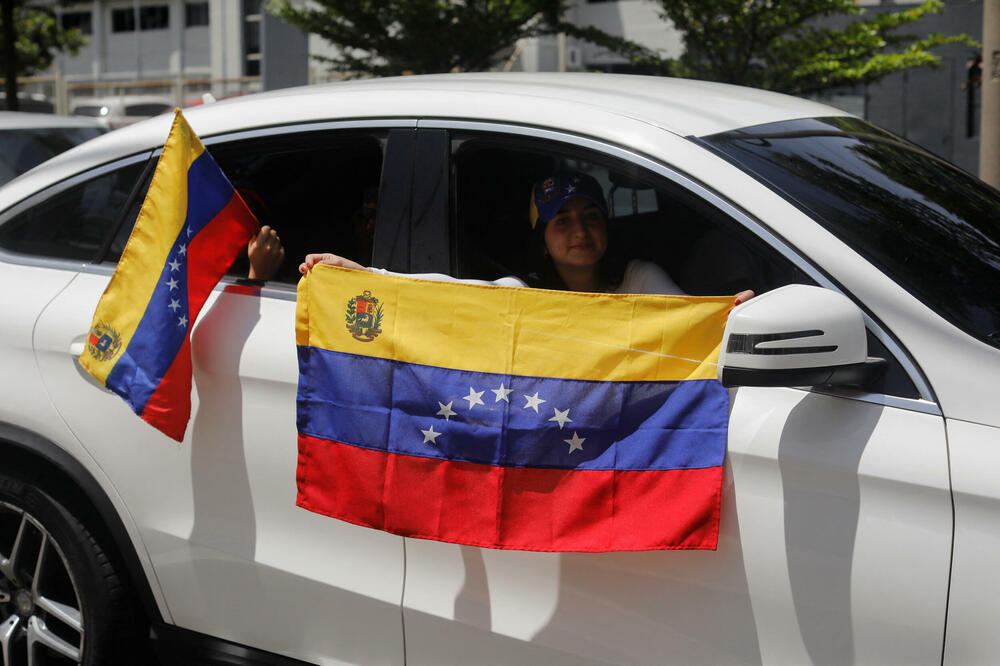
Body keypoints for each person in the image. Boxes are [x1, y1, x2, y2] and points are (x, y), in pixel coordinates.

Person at [299, 171, 752, 305]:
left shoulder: (638, 278)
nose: (580, 230)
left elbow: (692, 321)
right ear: (543, 238)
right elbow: (444, 296)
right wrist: (365, 275)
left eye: (591, 216)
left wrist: (730, 315)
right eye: (562, 221)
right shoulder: (522, 295)